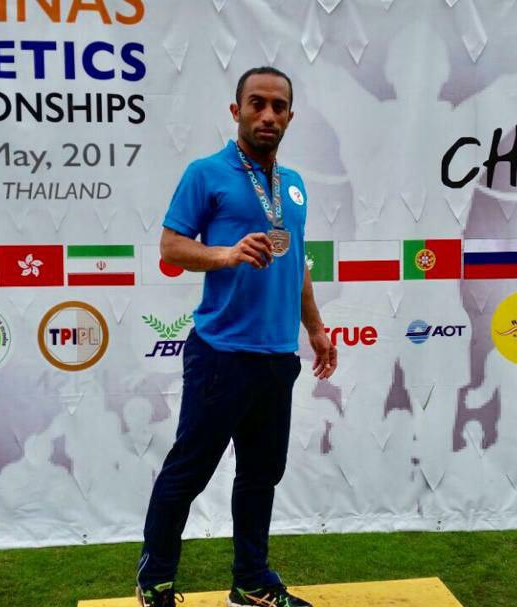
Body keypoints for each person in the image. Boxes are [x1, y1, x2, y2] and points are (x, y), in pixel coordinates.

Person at [136, 66, 337, 607]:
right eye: (257, 103)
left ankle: (251, 583)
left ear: (290, 116)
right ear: (237, 111)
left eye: (278, 106)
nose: (267, 115)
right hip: (221, 354)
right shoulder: (206, 173)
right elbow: (171, 247)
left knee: (260, 476)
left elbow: (297, 264)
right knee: (188, 473)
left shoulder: (293, 186)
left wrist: (316, 329)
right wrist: (225, 254)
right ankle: (156, 582)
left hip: (277, 356)